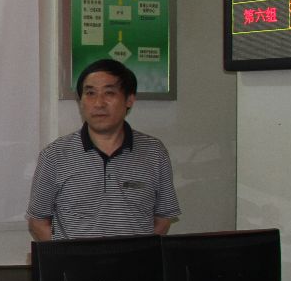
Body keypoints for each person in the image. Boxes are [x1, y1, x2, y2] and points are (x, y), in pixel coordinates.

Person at [27, 58, 179, 240]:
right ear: (81, 101)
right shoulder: (54, 155)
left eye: (109, 93)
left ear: (129, 100)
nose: (98, 103)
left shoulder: (154, 152)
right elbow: (38, 221)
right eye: (90, 93)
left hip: (136, 259)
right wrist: (68, 256)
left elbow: (163, 217)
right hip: (75, 259)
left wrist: (140, 253)